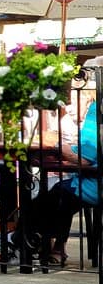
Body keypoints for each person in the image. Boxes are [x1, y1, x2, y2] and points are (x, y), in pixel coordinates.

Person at [41, 100, 98, 266]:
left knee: (58, 195)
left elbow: (83, 158)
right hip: (91, 180)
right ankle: (55, 247)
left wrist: (60, 146)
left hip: (94, 186)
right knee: (61, 192)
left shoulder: (97, 109)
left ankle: (23, 239)